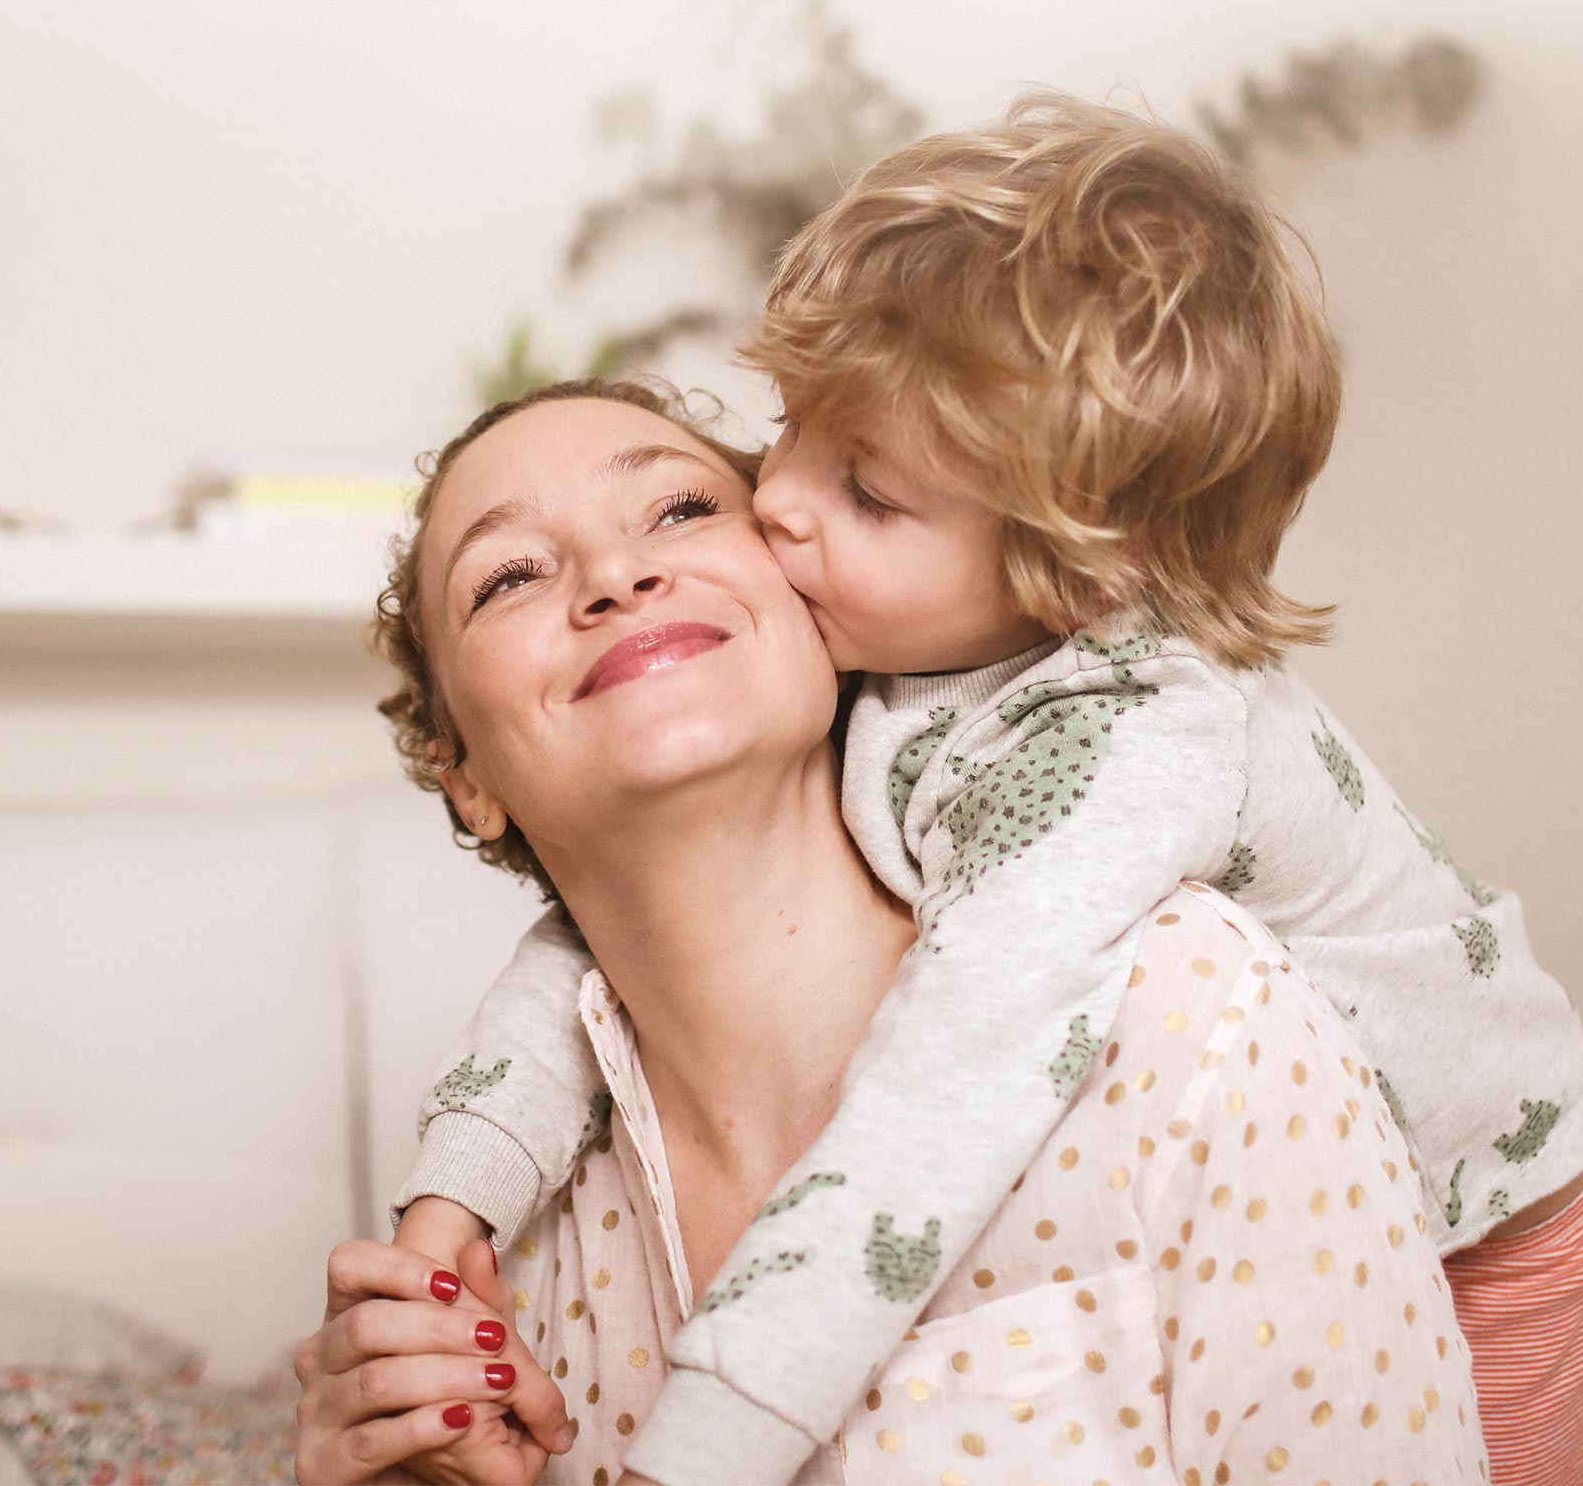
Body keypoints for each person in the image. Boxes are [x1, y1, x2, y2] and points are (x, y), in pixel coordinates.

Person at [385, 94, 1583, 1486]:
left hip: (1509, 1211)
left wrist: (700, 1449)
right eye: (787, 433)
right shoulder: (900, 654)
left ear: (1074, 578)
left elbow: (949, 1087)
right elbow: (588, 957)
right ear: (463, 772)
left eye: (862, 491)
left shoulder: (1128, 778)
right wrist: (448, 1204)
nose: (776, 504)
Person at [293, 380, 1486, 1484]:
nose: (613, 573)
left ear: (813, 599)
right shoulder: (500, 1270)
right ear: (465, 774)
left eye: (681, 508)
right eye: (507, 576)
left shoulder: (1192, 1012)